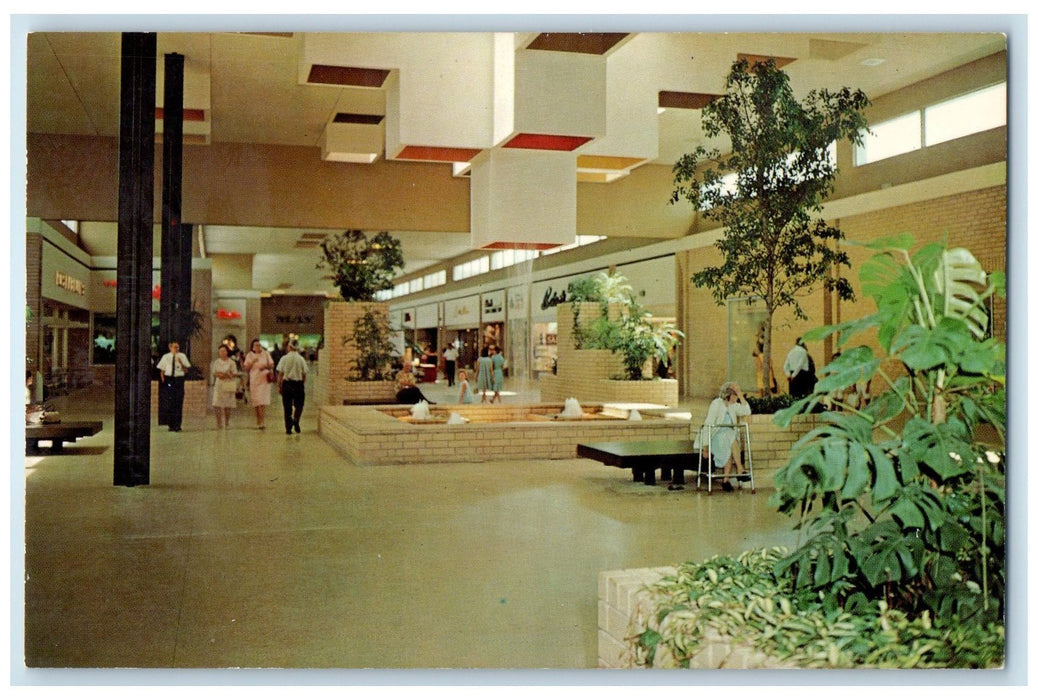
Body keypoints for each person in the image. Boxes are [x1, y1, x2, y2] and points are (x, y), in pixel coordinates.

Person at [694, 381, 752, 492]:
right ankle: (739, 469)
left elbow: (746, 411)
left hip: (727, 437)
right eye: (735, 395)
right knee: (731, 437)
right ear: (729, 395)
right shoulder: (717, 404)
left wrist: (740, 394)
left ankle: (726, 480)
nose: (736, 398)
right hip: (715, 436)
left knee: (730, 440)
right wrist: (705, 447)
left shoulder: (733, 406)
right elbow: (708, 424)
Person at [156, 340, 191, 431]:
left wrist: (181, 363)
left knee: (178, 402)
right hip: (169, 379)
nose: (176, 349)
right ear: (170, 347)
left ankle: (177, 425)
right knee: (170, 401)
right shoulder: (166, 357)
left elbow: (186, 370)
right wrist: (164, 381)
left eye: (178, 347)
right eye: (175, 347)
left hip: (178, 379)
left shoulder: (182, 356)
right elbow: (162, 370)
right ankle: (171, 425)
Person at [276, 339, 309, 435]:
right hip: (298, 384)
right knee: (299, 405)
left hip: (287, 384)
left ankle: (288, 428)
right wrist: (302, 384)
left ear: (289, 347)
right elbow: (304, 374)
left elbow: (280, 374)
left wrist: (279, 386)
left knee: (287, 407)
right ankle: (296, 420)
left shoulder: (284, 358)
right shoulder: (301, 359)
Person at [242, 338, 275, 429]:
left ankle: (262, 421)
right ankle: (259, 419)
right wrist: (252, 362)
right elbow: (246, 368)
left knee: (262, 401)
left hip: (264, 380)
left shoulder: (266, 354)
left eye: (259, 345)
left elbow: (271, 364)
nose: (258, 347)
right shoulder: (250, 355)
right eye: (256, 345)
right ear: (253, 347)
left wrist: (265, 367)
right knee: (257, 401)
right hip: (254, 381)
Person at [210, 344, 239, 429]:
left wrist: (228, 374)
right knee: (216, 403)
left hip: (228, 383)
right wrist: (220, 374)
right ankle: (219, 423)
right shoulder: (216, 362)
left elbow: (235, 373)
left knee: (227, 404)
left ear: (227, 352)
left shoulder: (231, 362)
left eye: (224, 351)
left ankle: (226, 422)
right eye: (220, 351)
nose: (222, 353)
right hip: (219, 384)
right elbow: (214, 373)